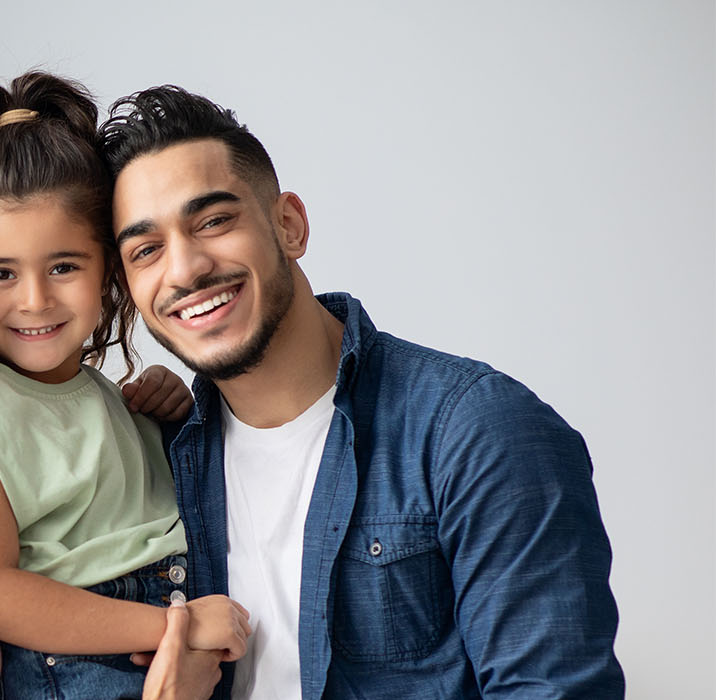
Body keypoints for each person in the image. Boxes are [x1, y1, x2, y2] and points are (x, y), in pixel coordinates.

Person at [100, 85, 624, 699]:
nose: (184, 269)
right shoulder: (154, 462)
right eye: (146, 250)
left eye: (214, 221)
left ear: (289, 225)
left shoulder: (478, 431)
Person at [0, 71, 248, 700]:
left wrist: (165, 414)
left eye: (63, 266)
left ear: (108, 270)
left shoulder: (101, 393)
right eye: (0, 272)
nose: (35, 300)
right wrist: (172, 623)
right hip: (85, 665)